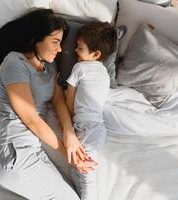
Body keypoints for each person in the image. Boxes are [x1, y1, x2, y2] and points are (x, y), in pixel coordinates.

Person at [0, 8, 97, 200]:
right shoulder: (15, 62)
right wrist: (71, 156)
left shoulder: (49, 66)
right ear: (36, 39)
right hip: (12, 151)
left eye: (61, 43)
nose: (60, 49)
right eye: (55, 42)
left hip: (31, 150)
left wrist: (70, 134)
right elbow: (31, 120)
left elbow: (58, 100)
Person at [65, 21, 118, 200]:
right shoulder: (104, 73)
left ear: (95, 54)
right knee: (77, 167)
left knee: (86, 172)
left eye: (79, 48)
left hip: (85, 126)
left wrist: (69, 116)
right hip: (97, 129)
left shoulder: (79, 67)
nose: (74, 51)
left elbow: (70, 97)